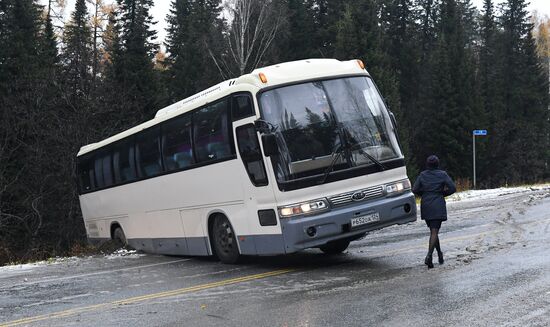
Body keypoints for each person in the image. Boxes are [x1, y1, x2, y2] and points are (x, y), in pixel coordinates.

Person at [412, 155, 456, 269]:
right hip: (437, 204)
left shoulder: (422, 175)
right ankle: (429, 256)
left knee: (433, 231)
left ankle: (439, 254)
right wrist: (442, 194)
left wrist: (425, 194)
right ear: (437, 164)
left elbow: (415, 189)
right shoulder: (442, 174)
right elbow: (452, 188)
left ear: (427, 164)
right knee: (434, 232)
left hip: (426, 205)